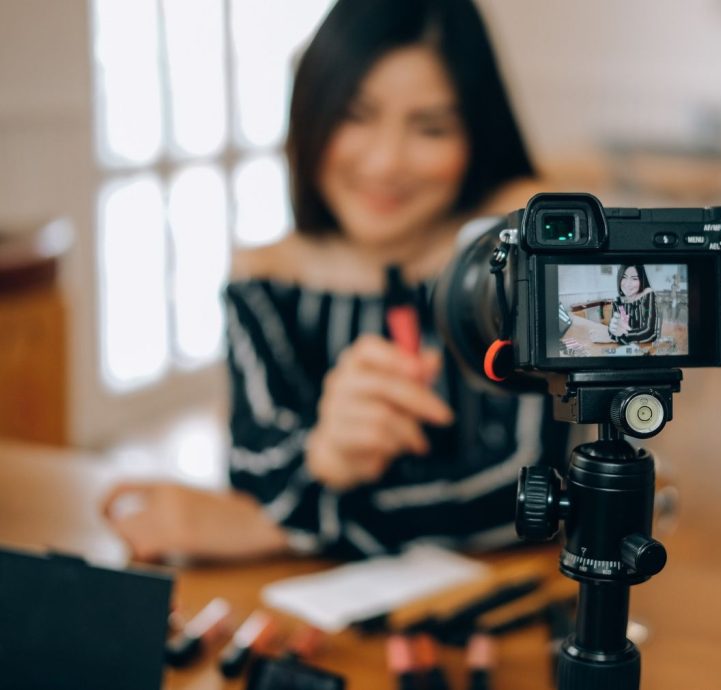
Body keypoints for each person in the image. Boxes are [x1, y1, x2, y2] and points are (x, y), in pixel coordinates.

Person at [102, 0, 569, 563]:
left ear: (477, 135)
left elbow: (526, 496)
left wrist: (272, 529)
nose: (385, 162)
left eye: (431, 127)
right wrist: (322, 457)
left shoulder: (511, 263)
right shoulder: (265, 278)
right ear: (313, 112)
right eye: (354, 115)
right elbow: (255, 471)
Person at [608, 264, 658, 344]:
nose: (628, 284)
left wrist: (617, 337)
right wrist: (614, 333)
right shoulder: (618, 301)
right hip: (625, 349)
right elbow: (612, 329)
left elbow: (649, 332)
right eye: (624, 277)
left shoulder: (648, 294)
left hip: (647, 348)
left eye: (634, 278)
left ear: (641, 279)